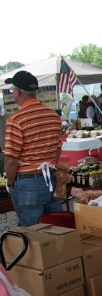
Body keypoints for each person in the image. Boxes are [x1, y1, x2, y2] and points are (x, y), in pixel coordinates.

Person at [4, 71, 63, 226]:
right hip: (49, 178)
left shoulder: (16, 119)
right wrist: (50, 165)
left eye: (12, 90)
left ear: (17, 93)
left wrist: (10, 184)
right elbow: (58, 149)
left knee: (34, 233)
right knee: (56, 228)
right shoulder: (53, 115)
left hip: (28, 183)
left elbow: (11, 160)